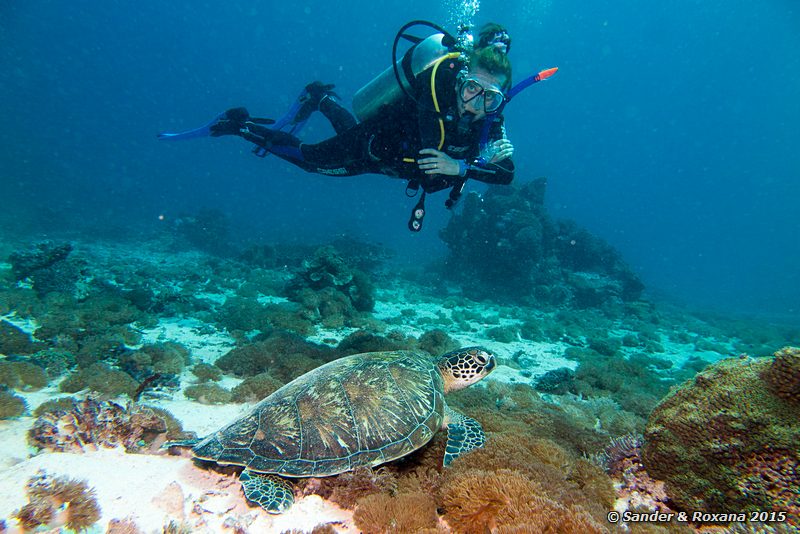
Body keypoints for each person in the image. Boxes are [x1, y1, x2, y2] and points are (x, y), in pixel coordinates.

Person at [209, 47, 514, 203]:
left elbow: (507, 174)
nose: (477, 103)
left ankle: (321, 98)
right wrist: (468, 165)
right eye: (472, 88)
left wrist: (460, 168)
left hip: (390, 163)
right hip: (371, 147)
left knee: (344, 128)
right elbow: (432, 164)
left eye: (491, 97)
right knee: (310, 159)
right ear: (460, 81)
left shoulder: (491, 120)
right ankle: (240, 125)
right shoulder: (434, 92)